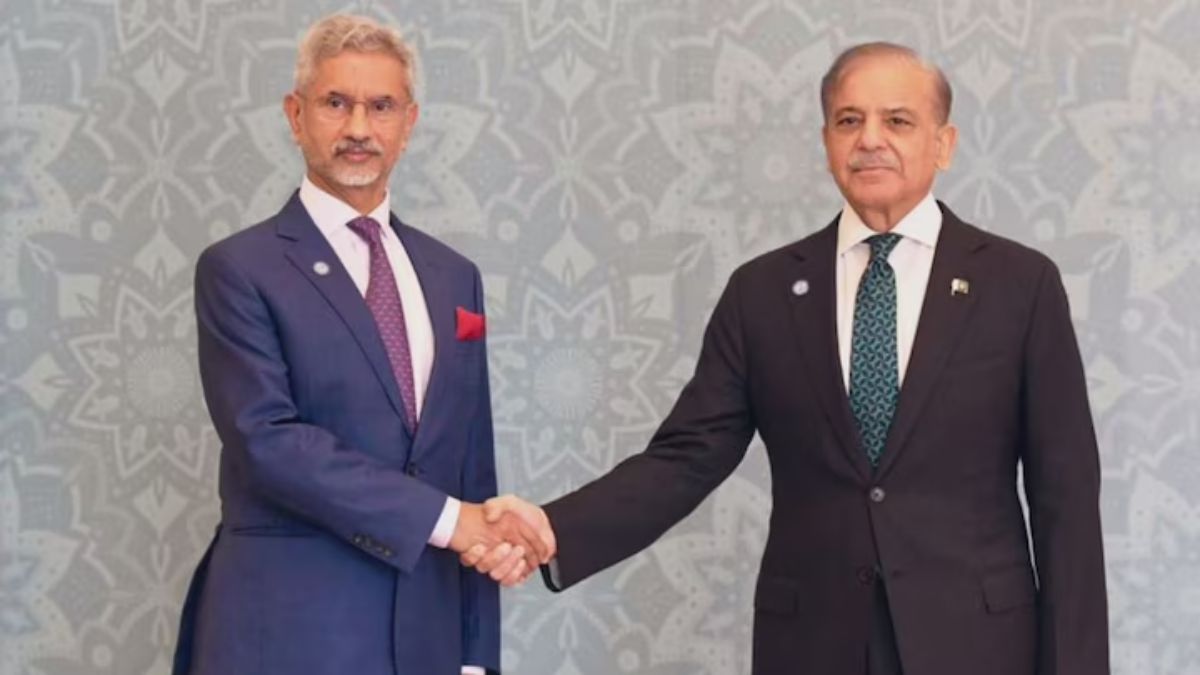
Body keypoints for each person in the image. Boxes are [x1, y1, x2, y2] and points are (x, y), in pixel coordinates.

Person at [469, 42, 1110, 675]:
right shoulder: (763, 292)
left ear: (943, 144)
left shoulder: (1019, 285)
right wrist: (554, 527)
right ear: (827, 141)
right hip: (812, 642)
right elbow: (686, 458)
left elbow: (1066, 498)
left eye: (898, 120)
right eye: (849, 120)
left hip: (976, 644)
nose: (870, 139)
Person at [172, 14, 550, 675]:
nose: (358, 128)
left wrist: (474, 655)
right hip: (286, 634)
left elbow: (471, 467)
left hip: (427, 634)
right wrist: (450, 520)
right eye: (335, 103)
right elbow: (269, 443)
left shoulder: (454, 276)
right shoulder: (239, 269)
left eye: (381, 106)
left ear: (409, 123)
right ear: (296, 116)